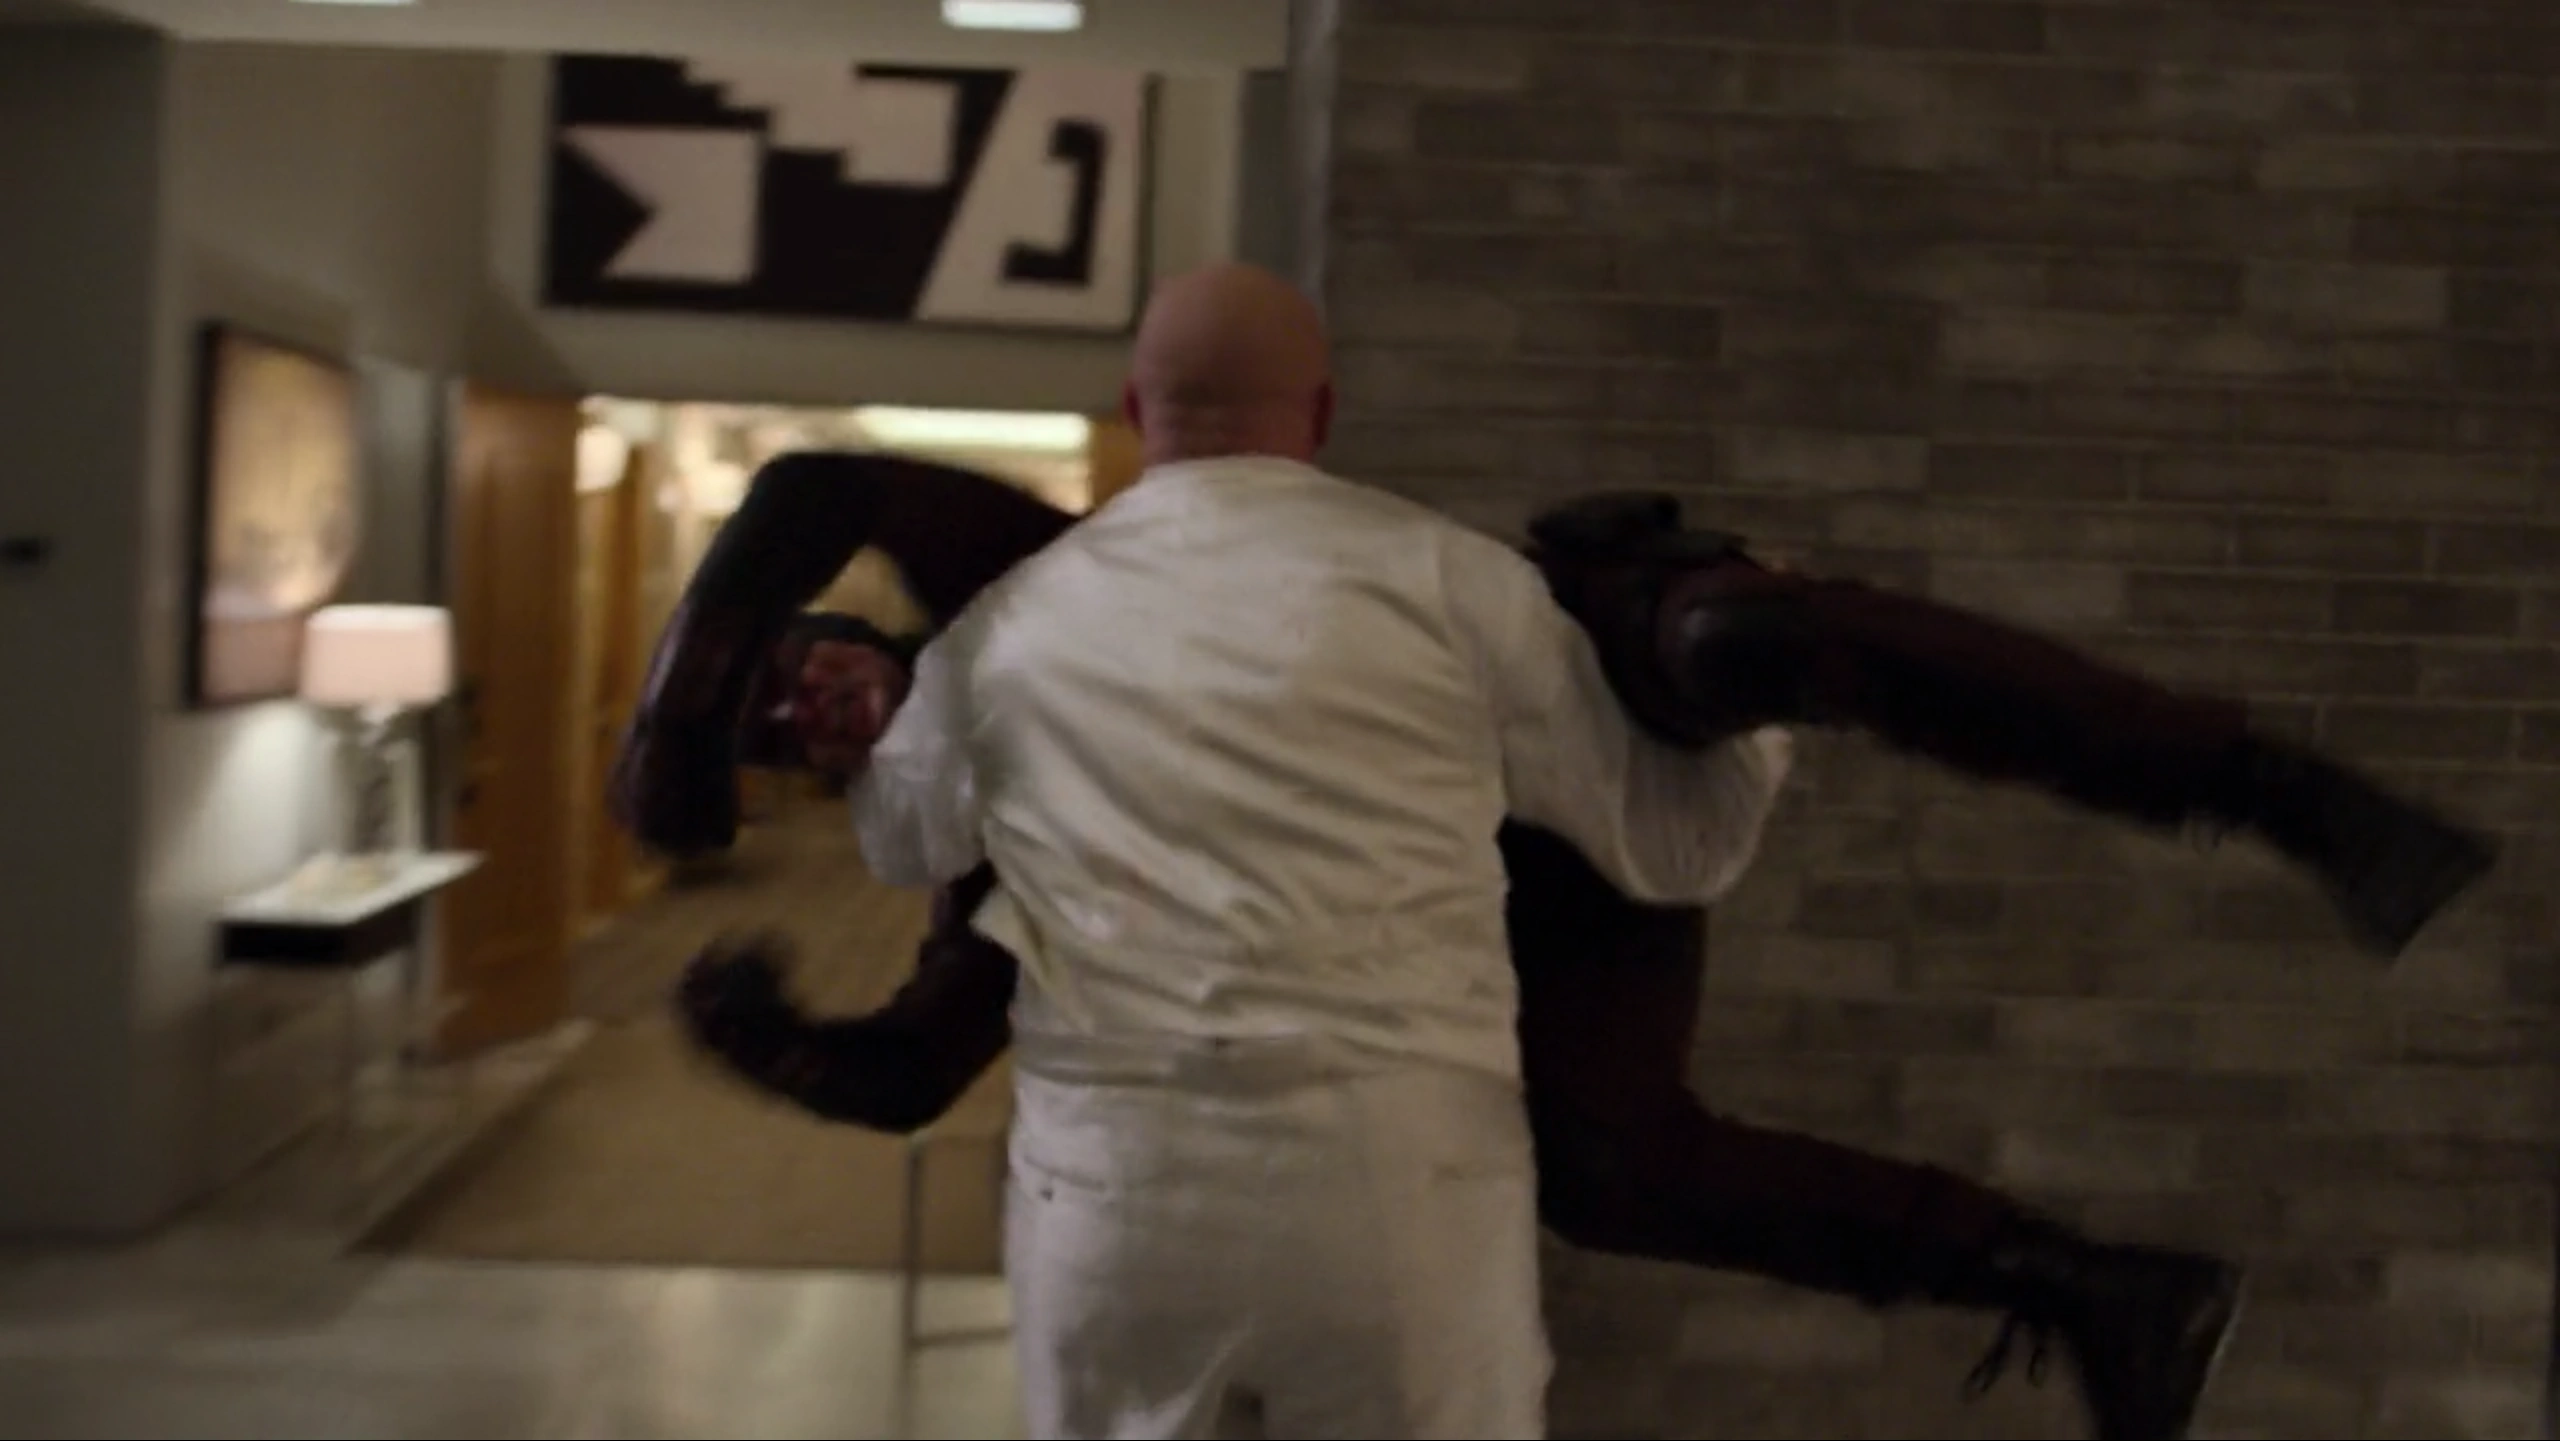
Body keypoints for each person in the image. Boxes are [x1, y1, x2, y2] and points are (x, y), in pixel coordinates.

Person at [610, 272, 2494, 1440]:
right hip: (1468, 962)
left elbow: (815, 500)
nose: (816, 710)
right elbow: (928, 1045)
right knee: (1609, 1158)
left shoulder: (1004, 601)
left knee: (1649, 636)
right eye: (789, 732)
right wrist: (777, 1038)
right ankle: (2085, 1275)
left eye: (802, 673)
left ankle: (1738, 636)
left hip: (1491, 841)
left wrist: (682, 727)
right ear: (1317, 420)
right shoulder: (990, 756)